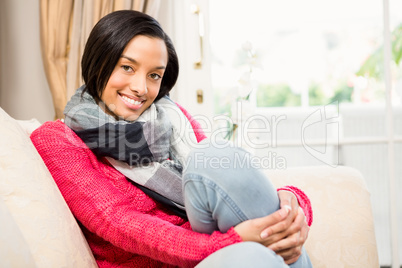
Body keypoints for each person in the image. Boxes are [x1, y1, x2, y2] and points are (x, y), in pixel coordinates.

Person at [31, 10, 313, 267]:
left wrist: (290, 203)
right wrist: (233, 241)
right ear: (98, 61)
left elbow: (228, 183)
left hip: (220, 250)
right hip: (189, 256)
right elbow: (117, 222)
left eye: (154, 75)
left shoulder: (172, 118)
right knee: (251, 254)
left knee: (213, 155)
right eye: (127, 67)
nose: (141, 88)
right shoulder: (58, 139)